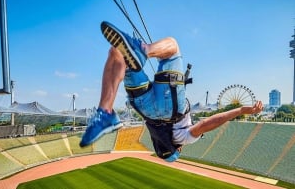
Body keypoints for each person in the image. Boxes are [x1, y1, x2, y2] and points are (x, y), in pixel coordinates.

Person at [79, 21, 263, 162]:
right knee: (117, 53)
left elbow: (208, 123)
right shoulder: (157, 134)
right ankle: (105, 112)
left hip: (170, 107)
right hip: (145, 108)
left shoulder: (182, 139)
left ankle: (144, 50)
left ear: (177, 150)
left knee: (172, 48)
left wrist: (240, 111)